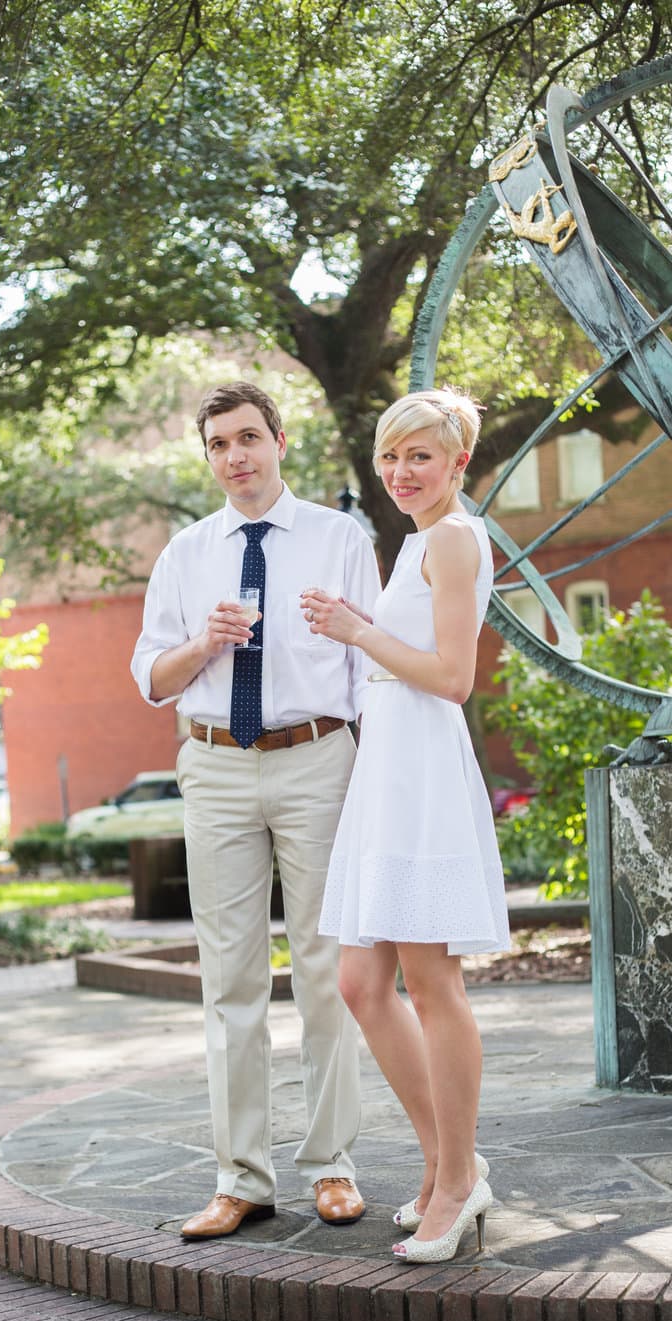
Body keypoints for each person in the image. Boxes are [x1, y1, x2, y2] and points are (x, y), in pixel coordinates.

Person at [131, 380, 381, 1240]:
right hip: (215, 768)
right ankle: (241, 1178)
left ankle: (332, 1166)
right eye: (219, 446)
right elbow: (150, 680)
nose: (235, 457)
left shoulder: (340, 539)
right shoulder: (185, 554)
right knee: (228, 979)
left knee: (326, 971)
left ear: (279, 440)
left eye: (248, 438)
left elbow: (371, 670)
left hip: (317, 759)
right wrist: (204, 643)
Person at [302, 387, 510, 1264]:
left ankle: (458, 1182)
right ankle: (444, 1162)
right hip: (387, 766)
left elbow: (455, 676)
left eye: (419, 456)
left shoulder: (456, 539)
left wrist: (356, 631)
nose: (399, 473)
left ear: (458, 462)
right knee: (360, 983)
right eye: (391, 457)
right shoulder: (419, 542)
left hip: (422, 765)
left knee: (431, 981)